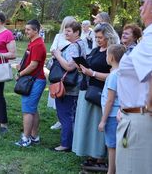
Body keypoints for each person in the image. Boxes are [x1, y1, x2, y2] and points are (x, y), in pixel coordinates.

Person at [116, 0, 152, 174]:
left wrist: (142, 109)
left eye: (143, 3)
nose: (140, 7)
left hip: (140, 120)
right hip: (136, 116)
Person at [72, 23, 118, 172]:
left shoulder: (113, 52)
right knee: (88, 124)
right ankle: (91, 153)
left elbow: (114, 75)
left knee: (97, 125)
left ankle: (99, 156)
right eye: (96, 37)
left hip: (100, 93)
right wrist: (82, 68)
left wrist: (92, 73)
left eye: (100, 37)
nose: (97, 40)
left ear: (108, 36)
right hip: (87, 89)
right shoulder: (96, 50)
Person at [51, 21, 86, 151]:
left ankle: (65, 144)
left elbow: (70, 66)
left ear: (77, 32)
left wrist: (58, 56)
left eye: (69, 31)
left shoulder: (73, 47)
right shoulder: (81, 44)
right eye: (65, 30)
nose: (66, 33)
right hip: (77, 84)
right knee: (72, 114)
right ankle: (73, 142)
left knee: (65, 115)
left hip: (69, 86)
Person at [15, 19, 46, 147]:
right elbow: (30, 62)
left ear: (36, 30)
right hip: (34, 79)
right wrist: (21, 66)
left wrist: (20, 74)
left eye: (28, 29)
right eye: (26, 29)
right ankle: (34, 136)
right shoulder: (33, 43)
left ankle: (26, 138)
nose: (25, 31)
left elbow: (34, 65)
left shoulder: (38, 44)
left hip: (35, 80)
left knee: (27, 110)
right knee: (32, 109)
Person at [98, 44, 125, 174]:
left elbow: (110, 100)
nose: (105, 56)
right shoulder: (121, 72)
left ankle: (111, 171)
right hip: (118, 114)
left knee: (112, 146)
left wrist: (103, 120)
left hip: (112, 116)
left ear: (112, 57)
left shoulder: (113, 76)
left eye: (106, 54)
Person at [49, 16, 75, 130]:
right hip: (59, 68)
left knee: (68, 94)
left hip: (69, 68)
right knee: (57, 91)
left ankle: (66, 121)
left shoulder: (76, 39)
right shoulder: (59, 37)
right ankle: (59, 119)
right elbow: (53, 50)